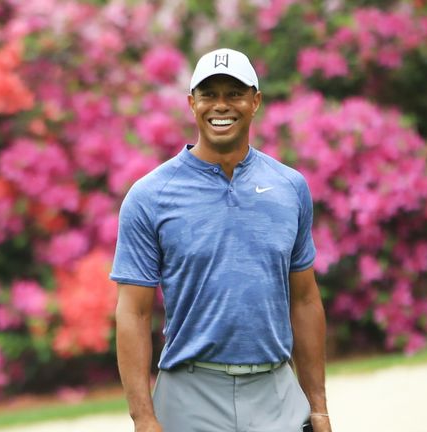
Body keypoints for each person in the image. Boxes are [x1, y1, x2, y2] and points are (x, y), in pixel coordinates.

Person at [111, 47, 332, 432]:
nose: (221, 106)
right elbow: (133, 313)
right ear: (191, 102)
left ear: (255, 101)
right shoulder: (150, 196)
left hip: (275, 393)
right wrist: (143, 418)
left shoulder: (290, 187)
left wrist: (319, 408)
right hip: (189, 394)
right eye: (209, 94)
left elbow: (305, 299)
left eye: (234, 93)